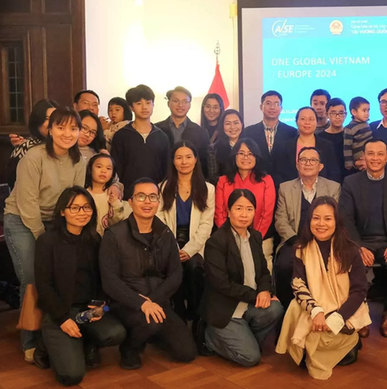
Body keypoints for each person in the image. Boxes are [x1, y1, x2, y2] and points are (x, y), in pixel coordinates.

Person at [3, 107, 87, 362]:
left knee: (59, 275)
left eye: (73, 128)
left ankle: (52, 333)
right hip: (21, 220)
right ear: (49, 130)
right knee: (32, 276)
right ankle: (29, 340)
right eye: (60, 127)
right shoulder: (34, 157)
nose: (67, 133)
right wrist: (45, 239)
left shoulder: (79, 160)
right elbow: (27, 203)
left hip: (55, 221)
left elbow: (76, 196)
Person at [100, 179, 197, 369]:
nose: (147, 202)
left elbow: (175, 274)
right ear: (131, 201)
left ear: (158, 202)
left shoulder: (166, 233)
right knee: (150, 322)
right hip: (126, 304)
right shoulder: (114, 235)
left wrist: (152, 301)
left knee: (186, 352)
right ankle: (129, 348)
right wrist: (142, 303)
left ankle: (149, 335)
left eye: (152, 197)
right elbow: (110, 281)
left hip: (158, 302)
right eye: (141, 197)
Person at [35, 187, 126, 386]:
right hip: (61, 311)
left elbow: (103, 276)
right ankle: (44, 346)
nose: (82, 212)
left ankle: (86, 342)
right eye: (74, 208)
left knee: (117, 333)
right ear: (62, 211)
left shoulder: (94, 239)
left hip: (87, 309)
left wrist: (100, 303)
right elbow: (44, 285)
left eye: (86, 207)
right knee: (72, 376)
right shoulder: (47, 241)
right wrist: (61, 318)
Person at [275, 196, 370, 380]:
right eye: (316, 218)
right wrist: (316, 311)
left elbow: (359, 291)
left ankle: (349, 343)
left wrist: (336, 317)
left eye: (328, 218)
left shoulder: (350, 250)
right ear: (309, 220)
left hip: (343, 312)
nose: (321, 224)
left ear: (336, 221)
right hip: (317, 309)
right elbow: (298, 284)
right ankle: (324, 347)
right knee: (295, 306)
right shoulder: (301, 248)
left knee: (311, 346)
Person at [201, 189, 284, 367]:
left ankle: (244, 337)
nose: (244, 214)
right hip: (225, 310)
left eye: (249, 209)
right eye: (238, 208)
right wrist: (257, 295)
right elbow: (222, 284)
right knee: (251, 358)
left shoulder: (255, 236)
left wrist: (264, 290)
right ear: (228, 211)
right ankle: (210, 338)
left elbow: (263, 271)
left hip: (248, 304)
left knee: (275, 308)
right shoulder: (215, 242)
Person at [339, 139, 387, 337]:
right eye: (370, 154)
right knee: (355, 268)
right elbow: (346, 219)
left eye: (380, 154)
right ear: (364, 156)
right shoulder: (351, 182)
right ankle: (359, 313)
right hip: (361, 242)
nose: (375, 158)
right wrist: (358, 247)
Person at [274, 147, 341, 307]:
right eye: (303, 160)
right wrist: (296, 241)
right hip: (294, 241)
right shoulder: (285, 188)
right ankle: (287, 309)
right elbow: (280, 219)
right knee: (283, 266)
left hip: (324, 241)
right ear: (297, 165)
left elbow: (335, 219)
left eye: (313, 160)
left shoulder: (333, 187)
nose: (308, 164)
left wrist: (318, 240)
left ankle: (325, 307)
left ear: (321, 166)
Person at [157, 141, 215, 324]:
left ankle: (197, 318)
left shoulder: (208, 189)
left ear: (196, 160)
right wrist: (173, 247)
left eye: (188, 157)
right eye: (179, 157)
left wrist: (189, 249)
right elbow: (160, 221)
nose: (184, 162)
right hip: (169, 241)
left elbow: (206, 225)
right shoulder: (162, 187)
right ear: (173, 161)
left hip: (196, 242)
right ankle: (179, 317)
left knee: (195, 268)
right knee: (173, 268)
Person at [215, 138, 276, 268]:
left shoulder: (266, 180)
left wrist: (254, 238)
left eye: (250, 154)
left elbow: (267, 214)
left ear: (256, 156)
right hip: (228, 238)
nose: (246, 157)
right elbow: (220, 214)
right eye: (241, 153)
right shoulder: (223, 181)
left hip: (260, 238)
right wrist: (231, 238)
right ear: (234, 156)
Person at [110, 84, 170, 199]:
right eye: (138, 103)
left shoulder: (162, 136)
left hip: (155, 197)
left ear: (153, 104)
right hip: (128, 196)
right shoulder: (121, 135)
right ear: (131, 107)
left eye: (148, 103)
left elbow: (166, 170)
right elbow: (116, 168)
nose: (144, 107)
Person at [272, 107, 340, 184]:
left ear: (316, 122)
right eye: (303, 119)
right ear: (296, 122)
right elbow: (278, 174)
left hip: (322, 192)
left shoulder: (327, 146)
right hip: (291, 192)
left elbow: (334, 173)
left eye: (311, 119)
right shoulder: (284, 147)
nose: (307, 122)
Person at [155, 86, 210, 176]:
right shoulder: (156, 130)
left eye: (185, 102)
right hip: (163, 181)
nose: (180, 105)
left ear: (189, 105)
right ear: (169, 103)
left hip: (192, 183)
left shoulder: (200, 132)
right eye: (176, 101)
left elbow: (204, 163)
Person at [7, 99, 57, 189]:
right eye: (47, 119)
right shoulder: (26, 147)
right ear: (37, 121)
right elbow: (13, 182)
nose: (52, 123)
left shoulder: (62, 146)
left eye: (55, 119)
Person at [242, 90, 297, 172]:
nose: (272, 107)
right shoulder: (248, 132)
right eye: (268, 103)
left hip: (284, 182)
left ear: (281, 108)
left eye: (276, 104)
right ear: (261, 107)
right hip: (257, 180)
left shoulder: (292, 132)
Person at [84, 153, 125, 236]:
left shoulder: (113, 194)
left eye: (108, 168)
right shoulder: (84, 194)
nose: (103, 171)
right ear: (90, 169)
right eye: (99, 167)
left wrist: (116, 204)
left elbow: (117, 220)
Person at [319, 98, 348, 183]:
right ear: (327, 114)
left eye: (341, 113)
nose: (338, 117)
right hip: (327, 182)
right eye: (334, 113)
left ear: (346, 115)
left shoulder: (351, 135)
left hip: (349, 180)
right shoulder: (320, 138)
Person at [211, 109, 243, 185]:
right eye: (228, 124)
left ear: (241, 124)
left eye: (236, 123)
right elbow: (213, 177)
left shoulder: (250, 146)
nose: (232, 127)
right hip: (224, 190)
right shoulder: (213, 149)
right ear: (222, 126)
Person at [343, 96, 372, 173]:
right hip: (359, 161)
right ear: (354, 112)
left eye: (368, 110)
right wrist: (349, 165)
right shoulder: (349, 128)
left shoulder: (367, 124)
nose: (367, 113)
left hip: (370, 157)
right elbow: (347, 147)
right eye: (364, 110)